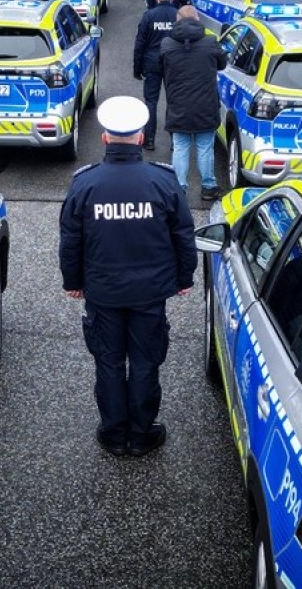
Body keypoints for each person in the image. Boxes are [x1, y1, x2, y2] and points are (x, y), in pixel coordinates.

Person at [59, 95, 195, 458]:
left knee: (109, 361)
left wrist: (73, 281)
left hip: (103, 292)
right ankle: (141, 434)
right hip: (150, 292)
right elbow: (183, 234)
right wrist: (185, 277)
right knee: (146, 361)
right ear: (141, 137)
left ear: (105, 137)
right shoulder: (163, 181)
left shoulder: (85, 184)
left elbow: (71, 239)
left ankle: (114, 434)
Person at [152, 6, 226, 201]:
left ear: (177, 21)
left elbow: (160, 68)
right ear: (197, 20)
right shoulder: (210, 42)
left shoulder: (167, 44)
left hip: (178, 105)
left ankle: (179, 188)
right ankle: (208, 187)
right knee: (205, 148)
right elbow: (223, 64)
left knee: (180, 147)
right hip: (206, 105)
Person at [133, 0, 181, 148]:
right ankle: (175, 141)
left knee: (151, 102)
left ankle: (149, 140)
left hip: (152, 63)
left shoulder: (149, 15)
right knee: (173, 101)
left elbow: (140, 44)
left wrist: (137, 68)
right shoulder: (178, 16)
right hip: (173, 64)